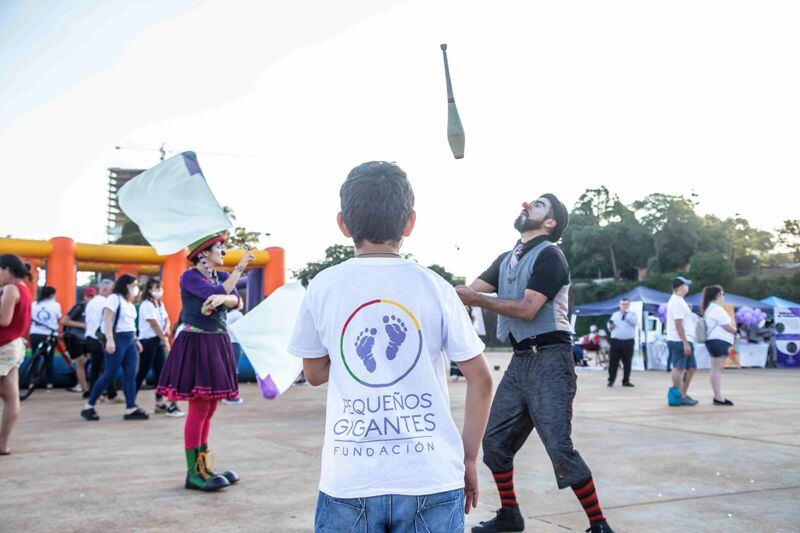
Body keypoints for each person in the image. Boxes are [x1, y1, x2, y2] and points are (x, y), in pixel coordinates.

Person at [288, 161, 493, 532]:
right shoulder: (435, 286)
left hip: (350, 476)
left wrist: (352, 355)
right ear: (410, 222)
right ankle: (381, 352)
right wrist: (468, 459)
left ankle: (368, 353)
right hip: (430, 474)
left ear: (343, 224)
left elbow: (314, 374)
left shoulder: (323, 286)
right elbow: (481, 379)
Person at [456, 194, 614, 533]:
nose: (528, 205)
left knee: (559, 446)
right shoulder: (507, 259)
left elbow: (528, 309)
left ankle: (599, 525)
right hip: (521, 360)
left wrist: (477, 299)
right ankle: (511, 516)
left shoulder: (551, 257)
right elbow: (466, 293)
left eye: (539, 205)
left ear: (550, 223)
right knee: (496, 442)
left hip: (551, 360)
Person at [156, 233, 254, 492]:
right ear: (203, 254)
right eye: (219, 249)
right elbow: (219, 292)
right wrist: (240, 268)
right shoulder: (190, 277)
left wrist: (227, 299)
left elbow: (237, 299)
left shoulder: (220, 276)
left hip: (216, 341)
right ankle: (194, 472)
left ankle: (204, 466)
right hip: (197, 343)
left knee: (210, 407)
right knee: (199, 408)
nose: (223, 252)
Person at [81, 275, 148, 421]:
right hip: (117, 339)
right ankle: (89, 406)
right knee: (109, 374)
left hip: (129, 339)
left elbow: (130, 323)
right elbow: (107, 319)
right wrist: (110, 340)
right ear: (125, 285)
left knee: (131, 375)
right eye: (133, 285)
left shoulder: (129, 302)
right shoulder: (114, 298)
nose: (135, 288)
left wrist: (136, 340)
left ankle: (131, 407)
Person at [136, 278, 183, 417]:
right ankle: (131, 401)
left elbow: (166, 319)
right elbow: (154, 324)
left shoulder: (159, 303)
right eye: (156, 288)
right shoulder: (146, 304)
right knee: (142, 372)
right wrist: (165, 340)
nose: (159, 290)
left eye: (159, 288)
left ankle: (159, 401)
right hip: (148, 341)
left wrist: (167, 329)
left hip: (158, 340)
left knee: (161, 372)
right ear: (149, 290)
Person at [0, 254, 32, 456]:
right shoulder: (23, 289)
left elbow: (4, 320)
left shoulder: (11, 289)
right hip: (15, 345)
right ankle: (3, 444)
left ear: (7, 270)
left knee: (10, 396)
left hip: (4, 345)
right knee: (11, 397)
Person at [82, 280, 118, 401]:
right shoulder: (106, 302)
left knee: (95, 368)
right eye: (111, 290)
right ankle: (111, 393)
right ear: (104, 290)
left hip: (89, 337)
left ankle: (94, 392)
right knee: (107, 367)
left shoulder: (91, 302)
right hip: (99, 338)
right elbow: (107, 321)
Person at [701, 286, 737, 406]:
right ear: (717, 295)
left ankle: (718, 396)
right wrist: (735, 331)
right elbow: (726, 325)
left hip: (713, 342)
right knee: (718, 370)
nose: (723, 296)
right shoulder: (717, 309)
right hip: (719, 342)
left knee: (715, 369)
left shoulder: (709, 309)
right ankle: (718, 397)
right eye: (723, 293)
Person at [666, 276, 698, 406]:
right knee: (679, 367)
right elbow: (678, 324)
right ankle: (676, 395)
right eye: (686, 285)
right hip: (679, 340)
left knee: (691, 367)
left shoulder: (679, 301)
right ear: (680, 288)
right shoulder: (677, 302)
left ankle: (682, 394)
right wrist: (685, 342)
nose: (688, 287)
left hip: (683, 339)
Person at [62, 287, 96, 394]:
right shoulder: (80, 307)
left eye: (92, 297)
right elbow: (64, 321)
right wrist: (82, 325)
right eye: (88, 296)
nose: (90, 299)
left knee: (89, 361)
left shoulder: (96, 308)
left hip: (88, 339)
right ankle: (84, 389)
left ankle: (85, 385)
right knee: (80, 362)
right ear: (84, 297)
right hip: (75, 337)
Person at [29, 286, 61, 389]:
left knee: (35, 357)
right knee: (49, 358)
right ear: (52, 295)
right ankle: (49, 383)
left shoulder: (34, 304)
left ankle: (31, 382)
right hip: (50, 334)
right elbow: (59, 318)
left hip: (35, 334)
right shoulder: (56, 305)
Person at [607, 298, 637, 387]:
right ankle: (611, 380)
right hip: (616, 341)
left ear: (629, 305)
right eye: (622, 304)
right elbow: (610, 326)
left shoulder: (633, 314)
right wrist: (610, 326)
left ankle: (626, 380)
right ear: (620, 305)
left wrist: (625, 315)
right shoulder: (615, 314)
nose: (624, 306)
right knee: (613, 362)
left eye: (626, 304)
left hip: (628, 341)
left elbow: (634, 323)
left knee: (627, 362)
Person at [222, 299, 245, 405]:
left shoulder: (228, 314)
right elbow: (245, 328)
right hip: (234, 343)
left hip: (226, 343)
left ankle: (223, 393)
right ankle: (231, 395)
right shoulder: (237, 314)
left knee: (227, 369)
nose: (242, 302)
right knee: (233, 369)